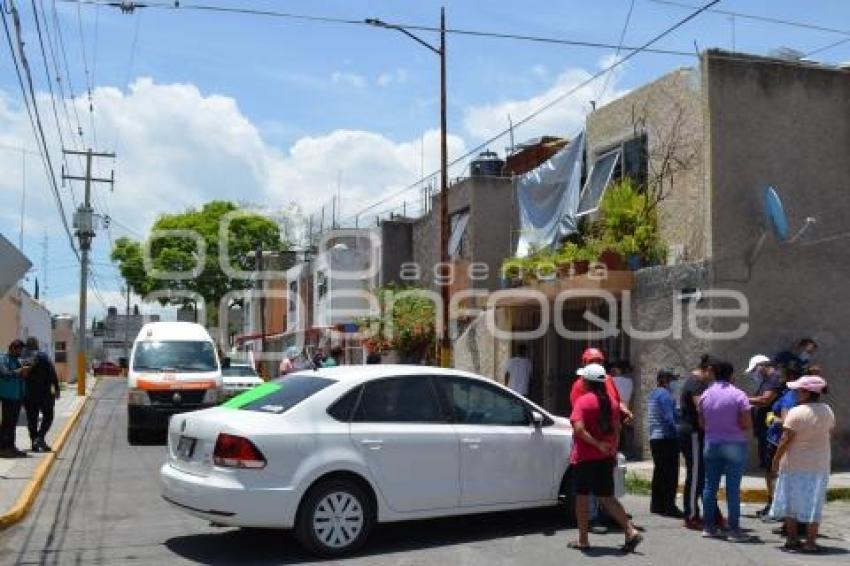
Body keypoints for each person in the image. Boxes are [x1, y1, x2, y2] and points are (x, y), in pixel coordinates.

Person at [568, 363, 643, 553]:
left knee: (582, 497)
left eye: (583, 378)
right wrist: (610, 449)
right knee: (606, 497)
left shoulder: (583, 401)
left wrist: (596, 444)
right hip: (606, 457)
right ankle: (630, 530)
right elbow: (618, 427)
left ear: (587, 381)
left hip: (585, 457)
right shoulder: (612, 401)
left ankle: (583, 540)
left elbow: (578, 429)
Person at [769, 374, 834, 554]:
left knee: (792, 501)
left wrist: (775, 459)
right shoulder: (828, 410)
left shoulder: (796, 412)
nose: (796, 392)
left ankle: (792, 538)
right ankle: (811, 542)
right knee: (815, 502)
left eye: (799, 389)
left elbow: (785, 439)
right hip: (819, 465)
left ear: (806, 392)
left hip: (794, 464)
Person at [699, 360, 752, 542]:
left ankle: (708, 527)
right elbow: (746, 423)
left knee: (709, 486)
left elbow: (702, 423)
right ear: (731, 375)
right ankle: (734, 530)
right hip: (735, 443)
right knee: (732, 488)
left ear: (714, 374)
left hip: (711, 443)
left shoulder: (705, 395)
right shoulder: (739, 395)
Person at [678, 355, 724, 530]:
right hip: (693, 434)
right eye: (714, 374)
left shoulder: (699, 382)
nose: (714, 378)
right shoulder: (697, 383)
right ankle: (690, 515)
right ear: (709, 370)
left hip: (698, 433)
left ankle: (712, 513)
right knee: (696, 474)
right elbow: (702, 408)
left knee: (704, 475)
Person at [762, 364, 802, 522]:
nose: (779, 378)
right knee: (774, 475)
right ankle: (773, 507)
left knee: (775, 475)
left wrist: (774, 419)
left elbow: (787, 422)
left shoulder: (791, 396)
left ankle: (775, 510)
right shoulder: (790, 393)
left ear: (791, 377)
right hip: (775, 438)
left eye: (782, 375)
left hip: (778, 440)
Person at [746, 354, 782, 516]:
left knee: (772, 470)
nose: (755, 373)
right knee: (769, 470)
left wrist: (742, 398)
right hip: (764, 433)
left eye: (754, 369)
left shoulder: (774, 379)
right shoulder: (767, 381)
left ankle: (774, 505)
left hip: (770, 435)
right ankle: (771, 503)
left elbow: (765, 401)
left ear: (762, 365)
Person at [648, 369, 682, 517]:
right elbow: (669, 419)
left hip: (655, 438)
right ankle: (669, 506)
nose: (674, 383)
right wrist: (679, 434)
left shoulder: (654, 394)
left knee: (659, 472)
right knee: (670, 474)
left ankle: (657, 505)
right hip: (666, 438)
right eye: (672, 379)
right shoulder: (665, 395)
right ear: (665, 380)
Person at [22, 337, 60, 453]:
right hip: (44, 393)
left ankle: (34, 443)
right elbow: (52, 373)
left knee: (32, 419)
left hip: (28, 393)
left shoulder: (22, 357)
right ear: (36, 345)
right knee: (48, 415)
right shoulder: (43, 356)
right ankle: (40, 437)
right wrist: (56, 389)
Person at [0, 340, 29, 458]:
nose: (20, 352)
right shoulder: (3, 359)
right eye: (18, 350)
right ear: (11, 348)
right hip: (8, 396)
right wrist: (19, 371)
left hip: (17, 396)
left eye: (21, 350)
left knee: (12, 424)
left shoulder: (16, 360)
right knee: (7, 424)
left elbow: (20, 375)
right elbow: (4, 374)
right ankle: (2, 449)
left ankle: (11, 447)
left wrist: (25, 371)